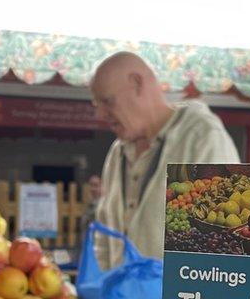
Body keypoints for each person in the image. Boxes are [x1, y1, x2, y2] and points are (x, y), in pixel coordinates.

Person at [90, 52, 240, 268]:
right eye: (97, 105)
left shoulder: (201, 139)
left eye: (107, 101)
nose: (100, 115)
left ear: (137, 84)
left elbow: (218, 242)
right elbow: (104, 234)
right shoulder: (118, 152)